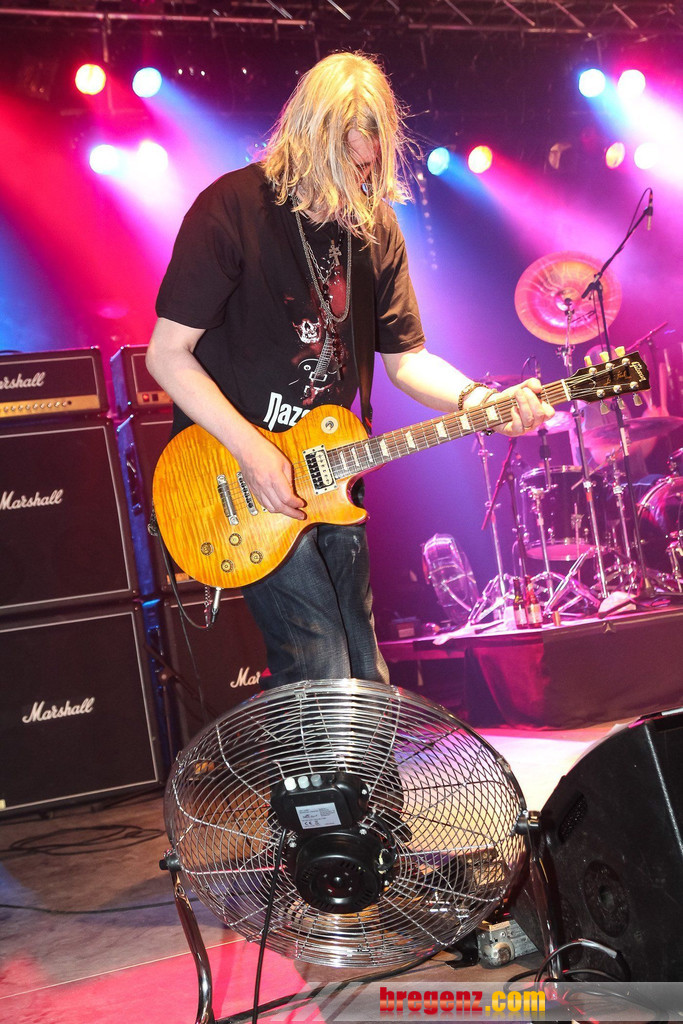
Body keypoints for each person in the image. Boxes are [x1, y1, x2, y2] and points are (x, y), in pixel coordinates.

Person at [146, 51, 554, 690]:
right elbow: (166, 354)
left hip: (332, 471)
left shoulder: (375, 229)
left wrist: (478, 400)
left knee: (364, 668)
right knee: (320, 661)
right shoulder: (231, 209)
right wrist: (253, 450)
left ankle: (349, 761)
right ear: (307, 139)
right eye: (346, 165)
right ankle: (319, 762)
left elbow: (407, 360)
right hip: (236, 474)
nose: (358, 184)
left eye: (368, 167)